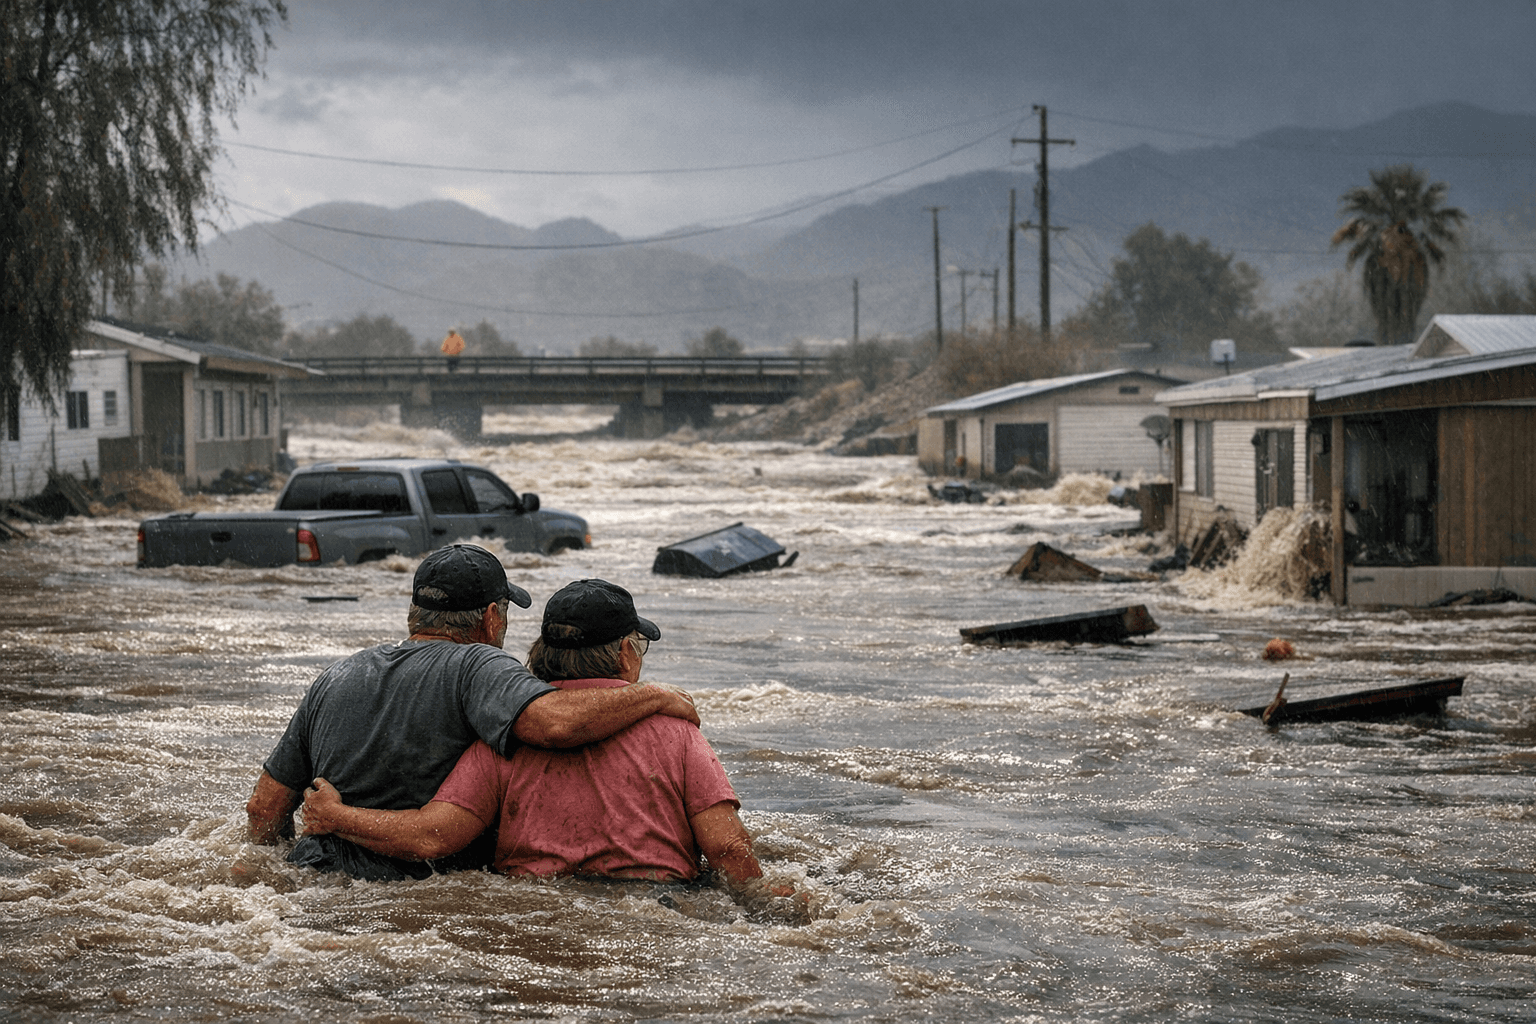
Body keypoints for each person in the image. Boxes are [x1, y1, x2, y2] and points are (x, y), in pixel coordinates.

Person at [245, 549, 700, 881]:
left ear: (414, 612)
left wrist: (274, 869)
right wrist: (655, 696)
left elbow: (264, 808)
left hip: (312, 878)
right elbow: (557, 723)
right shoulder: (478, 664)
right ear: (489, 618)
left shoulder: (336, 675)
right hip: (412, 888)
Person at [299, 578, 773, 889]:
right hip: (653, 909)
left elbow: (432, 837)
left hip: (537, 902)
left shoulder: (505, 737)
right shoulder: (676, 730)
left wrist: (339, 817)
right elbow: (729, 849)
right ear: (627, 653)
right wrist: (763, 906)